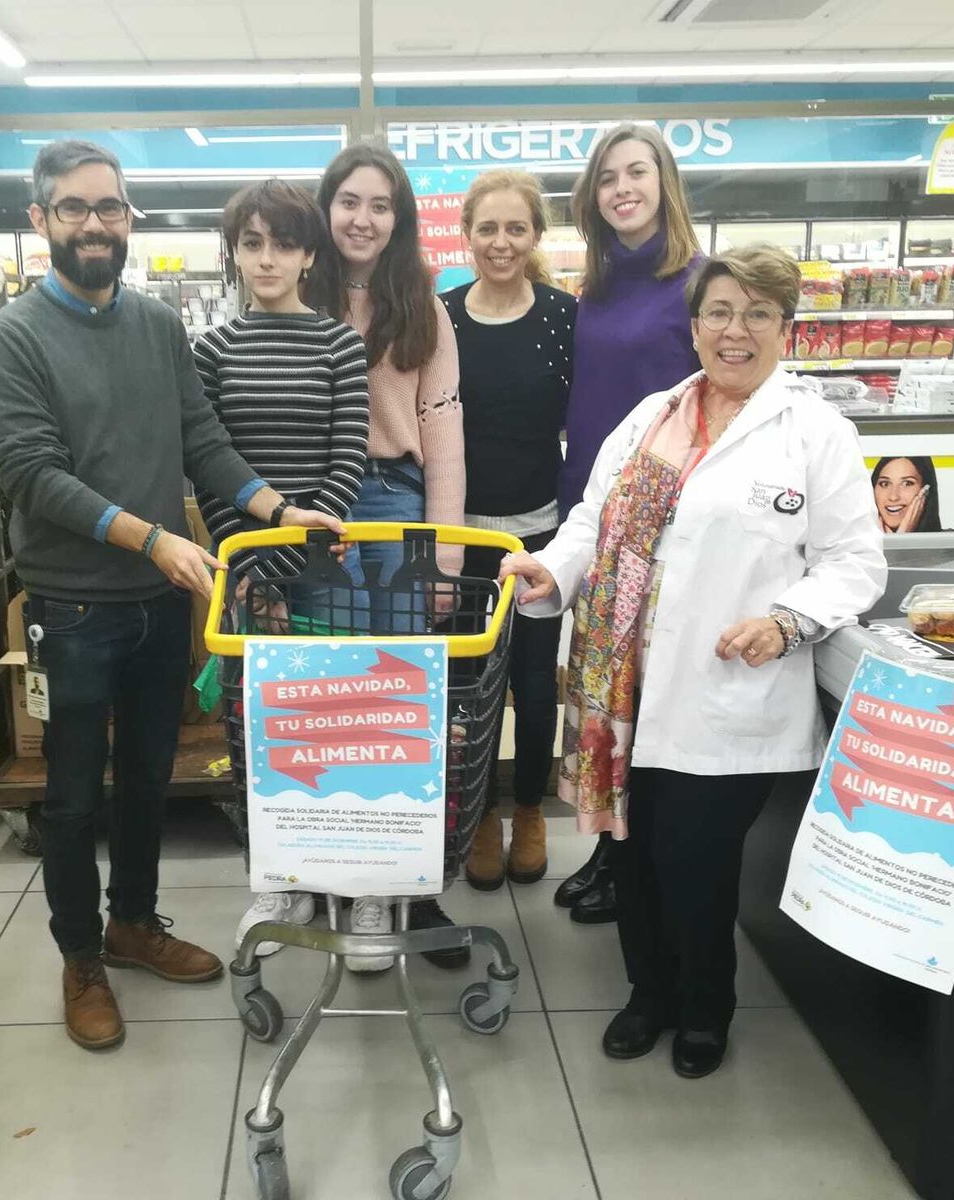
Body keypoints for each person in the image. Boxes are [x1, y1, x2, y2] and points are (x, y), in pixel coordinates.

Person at [0, 141, 344, 1053]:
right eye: (73, 208)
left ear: (128, 219)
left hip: (157, 599)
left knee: (147, 777)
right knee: (72, 796)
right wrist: (152, 537)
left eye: (108, 207)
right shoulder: (15, 335)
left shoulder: (155, 326)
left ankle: (133, 924)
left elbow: (202, 440)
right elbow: (32, 473)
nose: (93, 224)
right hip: (72, 608)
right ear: (41, 220)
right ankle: (81, 959)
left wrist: (278, 510)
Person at [499, 245, 886, 1079]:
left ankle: (706, 1010)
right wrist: (552, 570)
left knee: (696, 865)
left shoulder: (815, 433)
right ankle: (648, 996)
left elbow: (856, 563)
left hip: (726, 692)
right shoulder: (652, 417)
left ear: (786, 328)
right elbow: (592, 519)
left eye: (757, 314)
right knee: (632, 855)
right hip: (624, 688)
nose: (735, 331)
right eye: (719, 312)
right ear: (696, 325)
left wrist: (787, 622)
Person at [193, 180, 371, 957]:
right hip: (244, 572)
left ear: (308, 256)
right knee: (258, 728)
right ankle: (280, 883)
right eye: (252, 243)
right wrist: (252, 568)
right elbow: (207, 465)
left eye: (284, 244)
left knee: (346, 726)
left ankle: (358, 882)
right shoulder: (211, 351)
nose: (267, 259)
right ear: (234, 253)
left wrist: (300, 551)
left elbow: (349, 455)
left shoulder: (340, 345)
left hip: (328, 569)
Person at [305, 142, 468, 972]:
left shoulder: (422, 308)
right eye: (349, 202)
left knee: (404, 701)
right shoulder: (296, 291)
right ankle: (334, 871)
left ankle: (404, 882)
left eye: (380, 205)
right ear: (326, 209)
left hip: (397, 503)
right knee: (330, 700)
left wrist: (444, 562)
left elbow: (443, 436)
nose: (362, 219)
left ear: (398, 219)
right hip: (312, 513)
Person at [554, 122, 707, 927]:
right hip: (595, 512)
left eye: (637, 172)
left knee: (645, 692)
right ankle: (610, 848)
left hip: (666, 519)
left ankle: (636, 859)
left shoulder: (699, 282)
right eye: (608, 177)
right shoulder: (600, 286)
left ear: (664, 182)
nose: (623, 189)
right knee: (600, 691)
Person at [440, 170, 575, 891]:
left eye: (516, 228)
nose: (501, 242)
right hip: (462, 542)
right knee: (470, 686)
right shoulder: (441, 317)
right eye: (487, 228)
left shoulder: (562, 317)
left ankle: (528, 811)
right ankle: (482, 813)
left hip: (541, 538)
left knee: (533, 679)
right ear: (466, 234)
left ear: (535, 235)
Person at [871, 455, 943, 533]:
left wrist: (902, 538)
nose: (893, 497)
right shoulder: (860, 540)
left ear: (925, 491)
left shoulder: (950, 539)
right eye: (885, 484)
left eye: (907, 483)